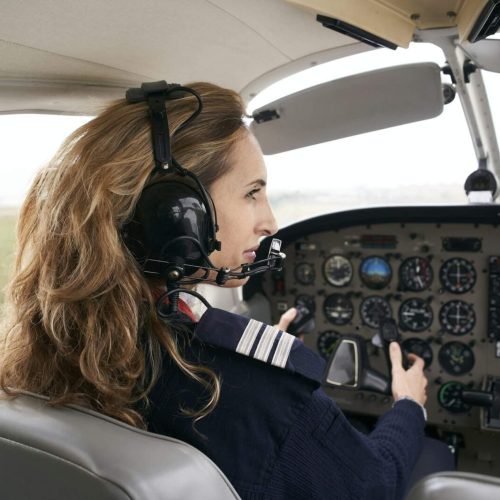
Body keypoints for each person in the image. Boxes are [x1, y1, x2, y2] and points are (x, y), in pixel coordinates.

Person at [0, 81, 450, 499]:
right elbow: (373, 485)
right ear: (177, 214)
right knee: (435, 456)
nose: (270, 222)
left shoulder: (47, 348)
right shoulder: (249, 393)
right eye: (252, 192)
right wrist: (408, 404)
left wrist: (256, 360)